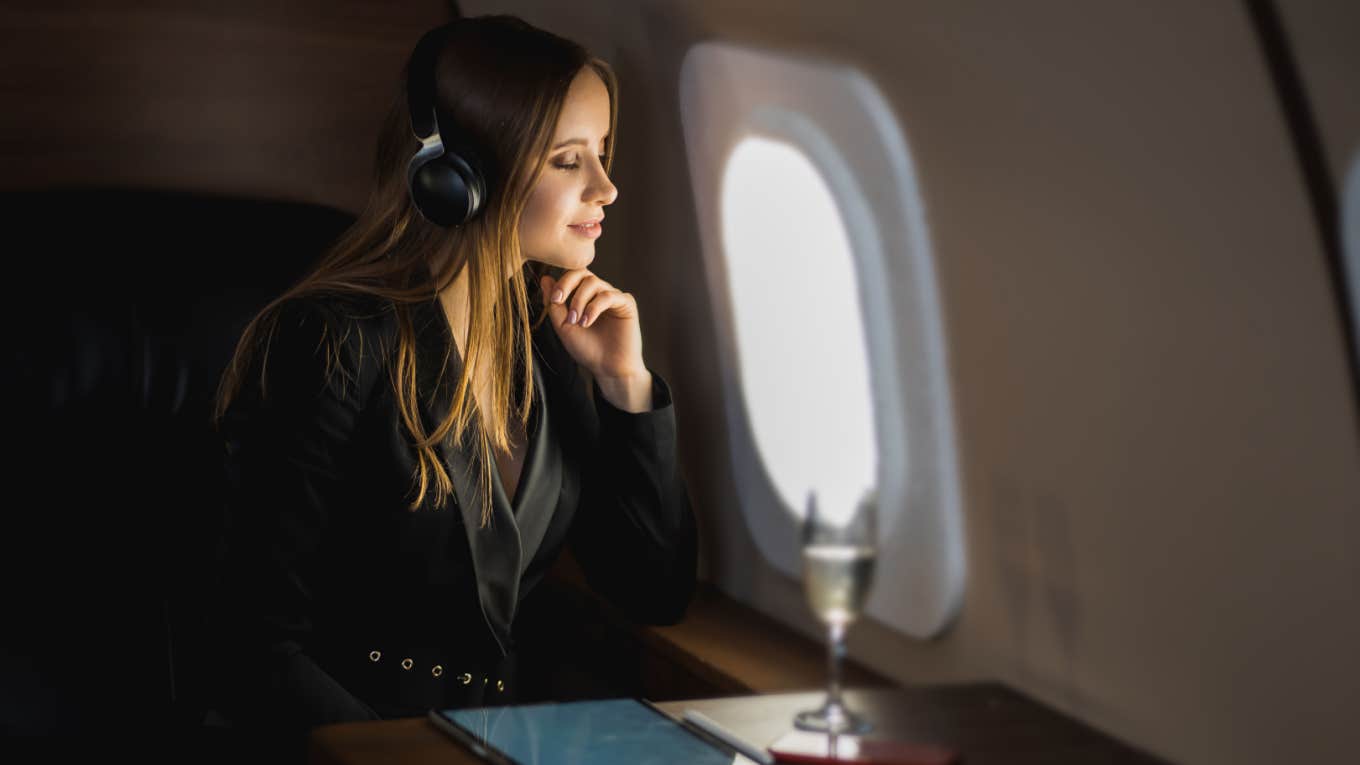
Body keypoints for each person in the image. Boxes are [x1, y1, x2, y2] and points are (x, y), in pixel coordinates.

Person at [203, 13, 697, 753]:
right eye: (569, 160)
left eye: (601, 153)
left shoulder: (548, 340)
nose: (607, 187)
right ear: (460, 175)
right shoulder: (330, 341)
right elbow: (255, 646)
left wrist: (624, 384)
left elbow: (651, 588)